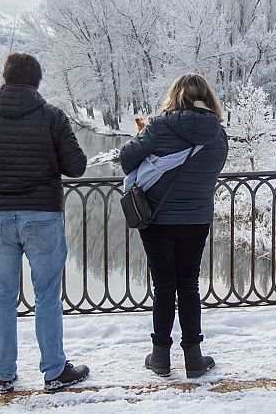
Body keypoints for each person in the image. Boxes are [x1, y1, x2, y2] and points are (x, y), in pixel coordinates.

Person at [0, 52, 90, 393]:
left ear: (5, 78)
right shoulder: (53, 116)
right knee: (47, 296)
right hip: (42, 214)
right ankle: (54, 371)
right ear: (37, 82)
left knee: (2, 297)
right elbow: (76, 166)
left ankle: (4, 373)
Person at [119, 73, 228, 378]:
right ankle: (193, 358)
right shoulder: (218, 134)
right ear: (207, 98)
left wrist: (144, 138)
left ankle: (160, 357)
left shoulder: (159, 127)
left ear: (175, 96)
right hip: (196, 218)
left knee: (164, 286)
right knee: (189, 285)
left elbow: (126, 160)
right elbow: (214, 169)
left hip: (157, 218)